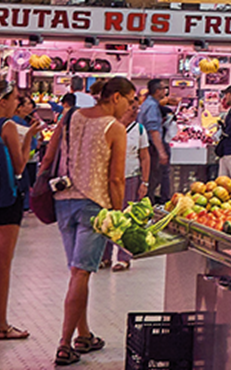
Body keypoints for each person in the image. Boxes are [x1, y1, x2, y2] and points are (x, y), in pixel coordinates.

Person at [42, 77, 132, 366]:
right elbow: (116, 179)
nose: (131, 107)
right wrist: (117, 215)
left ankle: (84, 335)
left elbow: (48, 159)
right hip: (94, 206)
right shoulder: (115, 128)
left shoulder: (71, 117)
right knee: (81, 274)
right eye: (130, 101)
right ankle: (64, 344)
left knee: (77, 273)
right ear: (115, 97)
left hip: (63, 202)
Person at [0, 79, 42, 341]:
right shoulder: (5, 126)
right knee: (2, 265)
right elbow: (19, 167)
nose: (18, 102)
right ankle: (1, 326)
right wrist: (28, 137)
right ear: (3, 101)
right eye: (15, 98)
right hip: (6, 202)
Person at [100, 98, 149, 272]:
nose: (135, 111)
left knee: (127, 218)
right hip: (109, 178)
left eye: (137, 109)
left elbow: (144, 156)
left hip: (130, 178)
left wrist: (145, 181)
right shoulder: (111, 127)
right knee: (108, 217)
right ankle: (104, 256)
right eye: (131, 108)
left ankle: (123, 257)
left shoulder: (139, 129)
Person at [139, 79, 171, 204]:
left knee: (152, 178)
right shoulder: (152, 106)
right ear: (158, 91)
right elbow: (153, 131)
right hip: (152, 147)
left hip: (149, 146)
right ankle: (150, 207)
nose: (165, 91)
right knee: (153, 179)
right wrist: (161, 152)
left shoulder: (148, 103)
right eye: (163, 88)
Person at [13, 97, 42, 209]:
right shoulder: (16, 122)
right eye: (28, 104)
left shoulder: (26, 120)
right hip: (23, 157)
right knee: (24, 183)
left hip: (27, 156)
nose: (31, 106)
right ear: (20, 108)